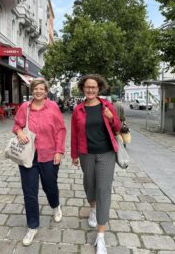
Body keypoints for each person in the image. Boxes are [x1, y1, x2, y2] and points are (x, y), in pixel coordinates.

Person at [12, 78, 66, 247]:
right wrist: (19, 133)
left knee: (50, 186)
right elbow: (16, 126)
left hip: (49, 154)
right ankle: (32, 226)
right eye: (35, 88)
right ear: (32, 90)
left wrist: (59, 151)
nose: (38, 91)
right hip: (28, 155)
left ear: (46, 91)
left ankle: (55, 205)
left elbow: (61, 130)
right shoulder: (24, 108)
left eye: (41, 89)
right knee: (29, 191)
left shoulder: (53, 107)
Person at [71, 74, 121, 254]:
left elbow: (118, 127)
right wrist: (74, 154)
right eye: (87, 87)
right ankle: (92, 208)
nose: (90, 89)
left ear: (99, 89)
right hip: (86, 154)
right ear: (83, 89)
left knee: (103, 189)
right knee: (89, 185)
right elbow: (75, 134)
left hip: (106, 153)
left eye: (94, 87)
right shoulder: (78, 109)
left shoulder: (107, 106)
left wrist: (110, 118)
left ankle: (100, 236)